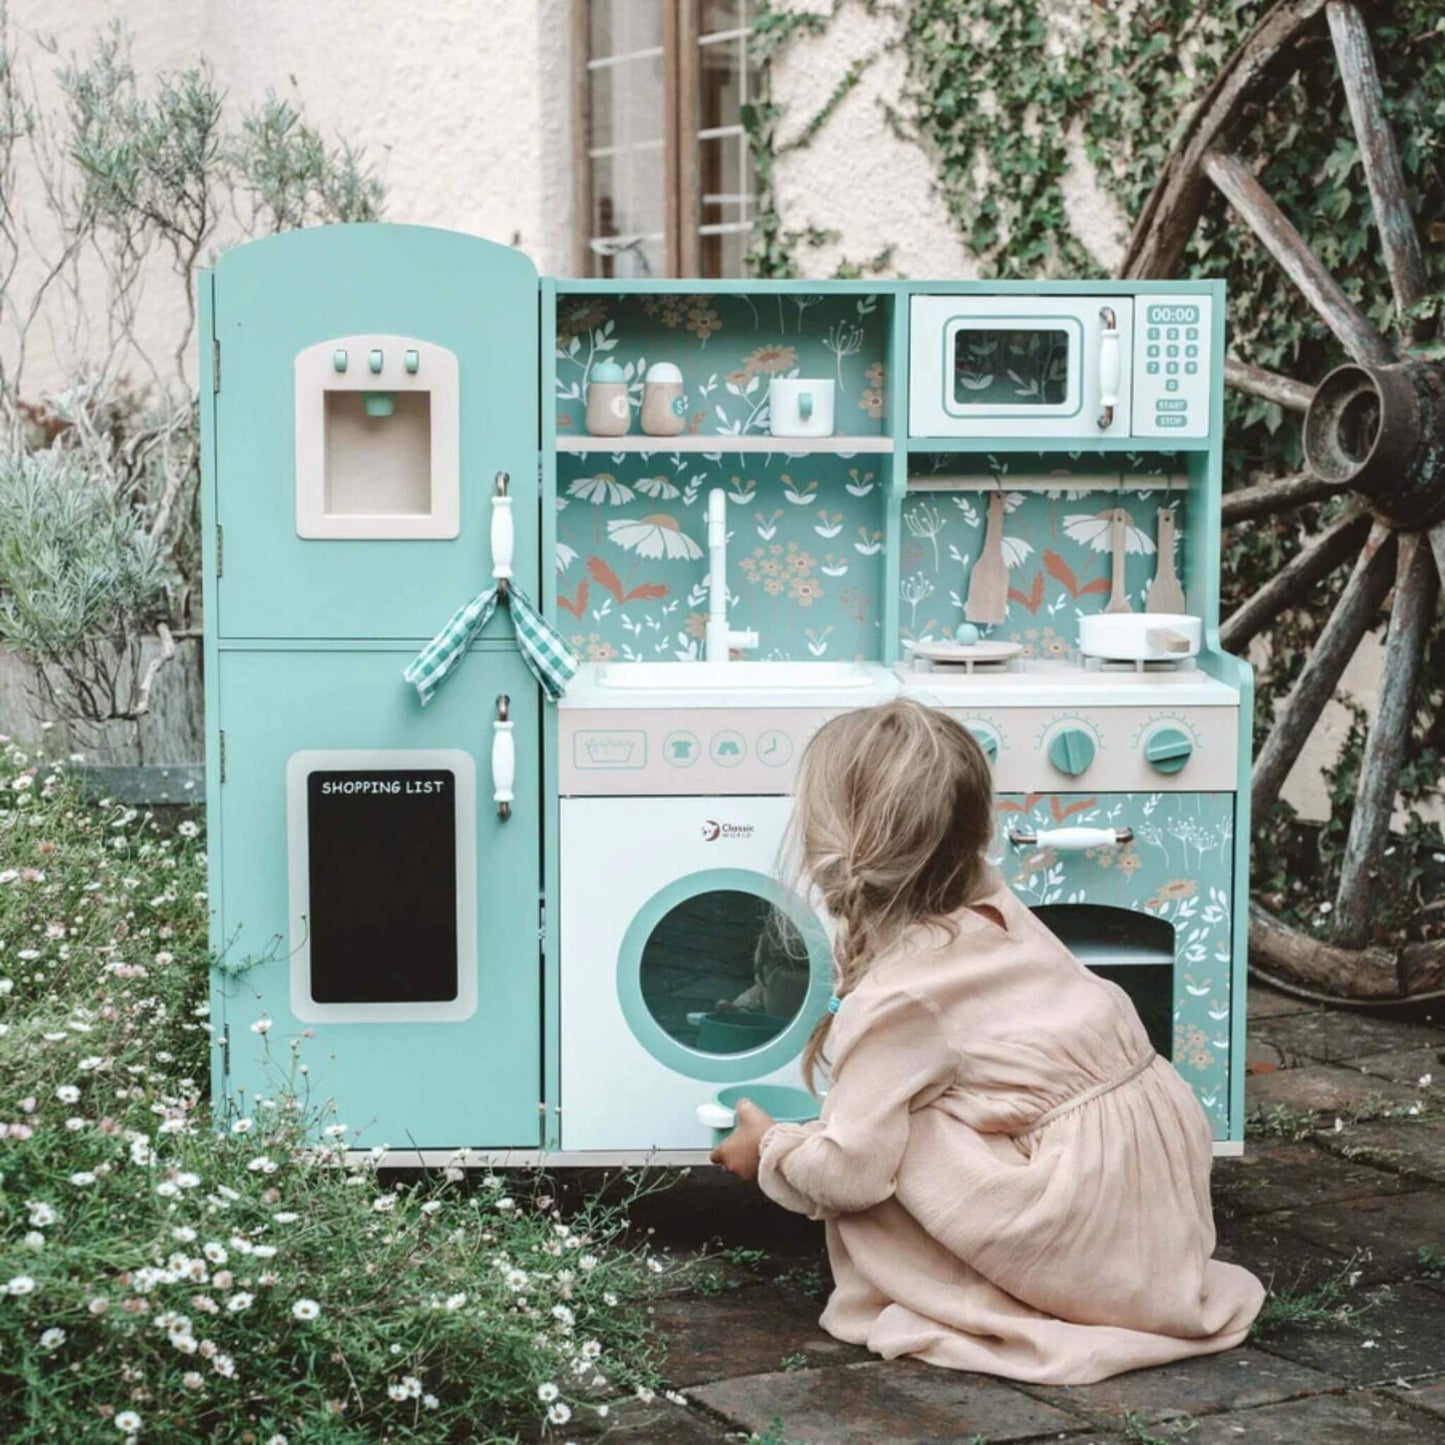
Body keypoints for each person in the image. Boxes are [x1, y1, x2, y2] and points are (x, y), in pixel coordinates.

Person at [711, 698, 1264, 1385]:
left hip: (1084, 1229)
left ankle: (980, 1288)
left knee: (883, 1129)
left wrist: (768, 1149)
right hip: (1151, 1218)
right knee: (901, 1099)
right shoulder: (990, 907)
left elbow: (852, 1173)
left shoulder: (903, 996)